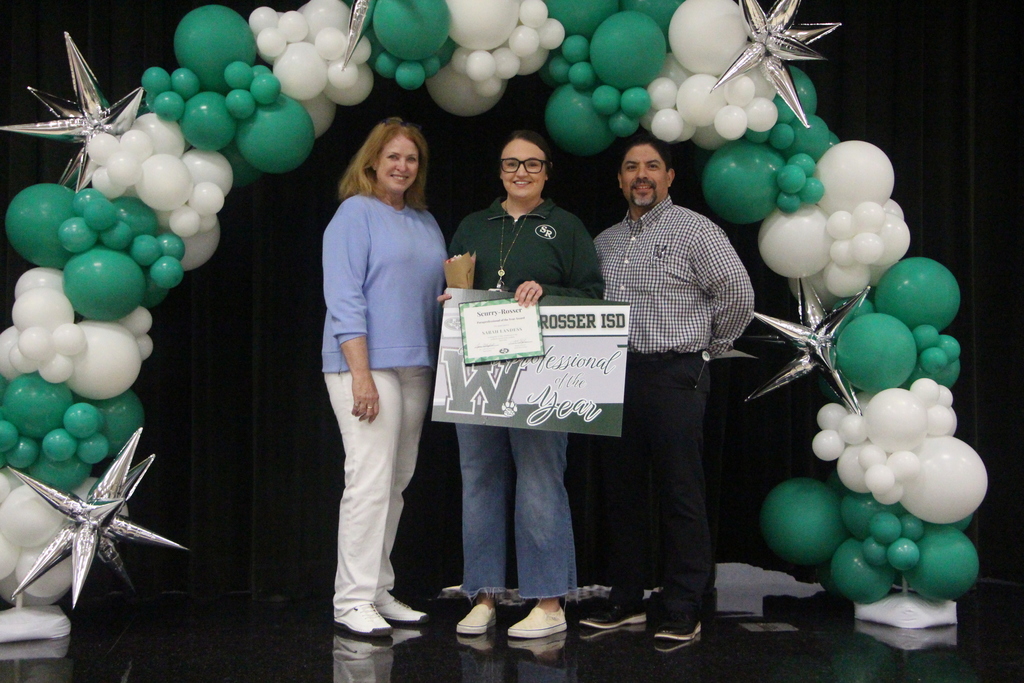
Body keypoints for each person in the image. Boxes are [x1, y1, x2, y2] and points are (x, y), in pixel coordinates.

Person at [583, 133, 754, 645]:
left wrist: (706, 349)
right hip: (615, 374)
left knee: (681, 491)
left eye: (652, 166)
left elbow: (738, 295)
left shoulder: (696, 231)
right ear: (619, 179)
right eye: (632, 167)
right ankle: (627, 597)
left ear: (670, 176)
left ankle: (683, 604)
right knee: (622, 492)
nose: (642, 175)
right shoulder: (605, 241)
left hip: (676, 374)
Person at [445, 130, 603, 640]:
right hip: (477, 374)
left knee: (539, 480)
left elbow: (593, 297)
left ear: (547, 171)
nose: (520, 173)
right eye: (511, 164)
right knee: (480, 479)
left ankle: (549, 601)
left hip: (544, 376)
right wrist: (451, 300)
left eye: (532, 165)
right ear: (499, 171)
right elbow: (454, 288)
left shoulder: (568, 227)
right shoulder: (473, 225)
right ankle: (484, 595)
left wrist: (549, 291)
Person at [323, 117, 447, 637]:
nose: (402, 166)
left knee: (396, 483)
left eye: (411, 159)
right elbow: (344, 296)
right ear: (372, 161)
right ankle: (349, 599)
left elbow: (433, 289)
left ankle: (375, 588)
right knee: (369, 482)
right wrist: (361, 377)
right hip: (365, 365)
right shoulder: (354, 214)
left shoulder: (425, 221)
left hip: (415, 364)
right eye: (393, 156)